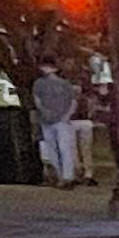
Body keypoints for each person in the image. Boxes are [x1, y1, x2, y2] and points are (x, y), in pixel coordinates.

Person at [27, 58, 82, 187]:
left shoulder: (60, 84)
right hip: (51, 119)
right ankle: (62, 176)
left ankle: (65, 176)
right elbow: (38, 101)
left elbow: (72, 101)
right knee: (58, 148)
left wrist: (66, 115)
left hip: (55, 119)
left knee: (61, 148)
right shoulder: (41, 83)